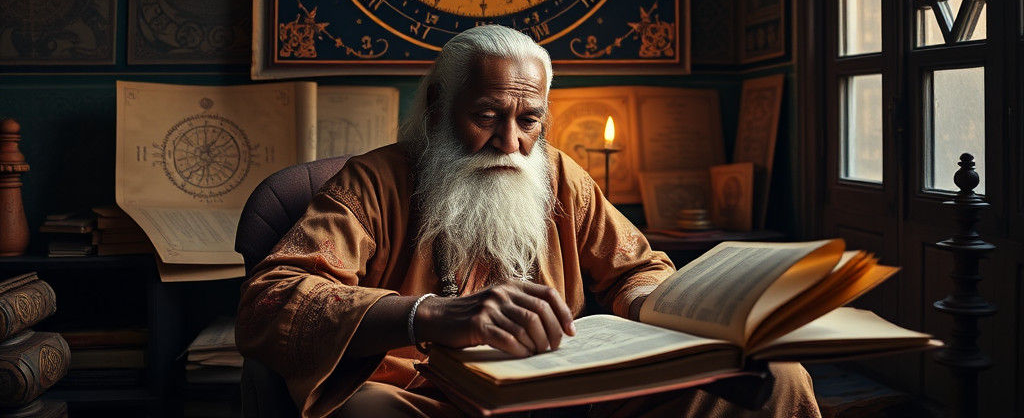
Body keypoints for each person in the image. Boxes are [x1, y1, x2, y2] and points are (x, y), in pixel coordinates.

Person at [235, 25, 821, 418]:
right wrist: (431, 315)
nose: (510, 143)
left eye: (529, 119)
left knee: (775, 376)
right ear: (439, 109)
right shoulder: (372, 184)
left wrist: (676, 310)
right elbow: (271, 300)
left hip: (567, 395)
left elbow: (635, 269)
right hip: (428, 397)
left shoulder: (561, 176)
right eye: (487, 115)